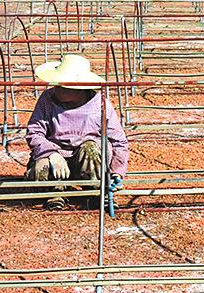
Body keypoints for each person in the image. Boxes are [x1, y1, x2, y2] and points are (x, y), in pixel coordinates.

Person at [25, 54, 130, 210]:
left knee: (90, 148)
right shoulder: (47, 99)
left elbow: (119, 141)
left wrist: (117, 172)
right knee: (42, 165)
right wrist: (51, 153)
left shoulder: (100, 104)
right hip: (57, 158)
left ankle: (95, 191)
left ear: (80, 88)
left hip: (87, 161)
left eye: (64, 85)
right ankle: (55, 192)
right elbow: (34, 132)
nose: (57, 88)